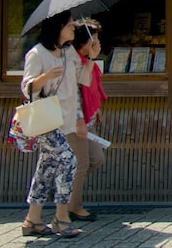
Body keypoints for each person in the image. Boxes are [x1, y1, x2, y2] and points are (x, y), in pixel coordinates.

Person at [20, 11, 91, 238]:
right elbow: (27, 88)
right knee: (68, 160)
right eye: (69, 24)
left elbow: (76, 86)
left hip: (65, 118)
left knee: (47, 167)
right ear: (57, 26)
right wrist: (46, 76)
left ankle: (32, 219)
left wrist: (79, 118)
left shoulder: (68, 52)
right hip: (45, 119)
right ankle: (61, 217)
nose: (73, 28)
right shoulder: (37, 53)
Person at [66, 19, 107, 223]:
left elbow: (89, 87)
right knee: (81, 163)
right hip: (73, 119)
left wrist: (96, 107)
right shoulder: (72, 60)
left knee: (96, 158)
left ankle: (66, 194)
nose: (97, 43)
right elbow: (79, 85)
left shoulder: (83, 59)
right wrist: (91, 58)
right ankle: (73, 207)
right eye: (94, 39)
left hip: (85, 117)